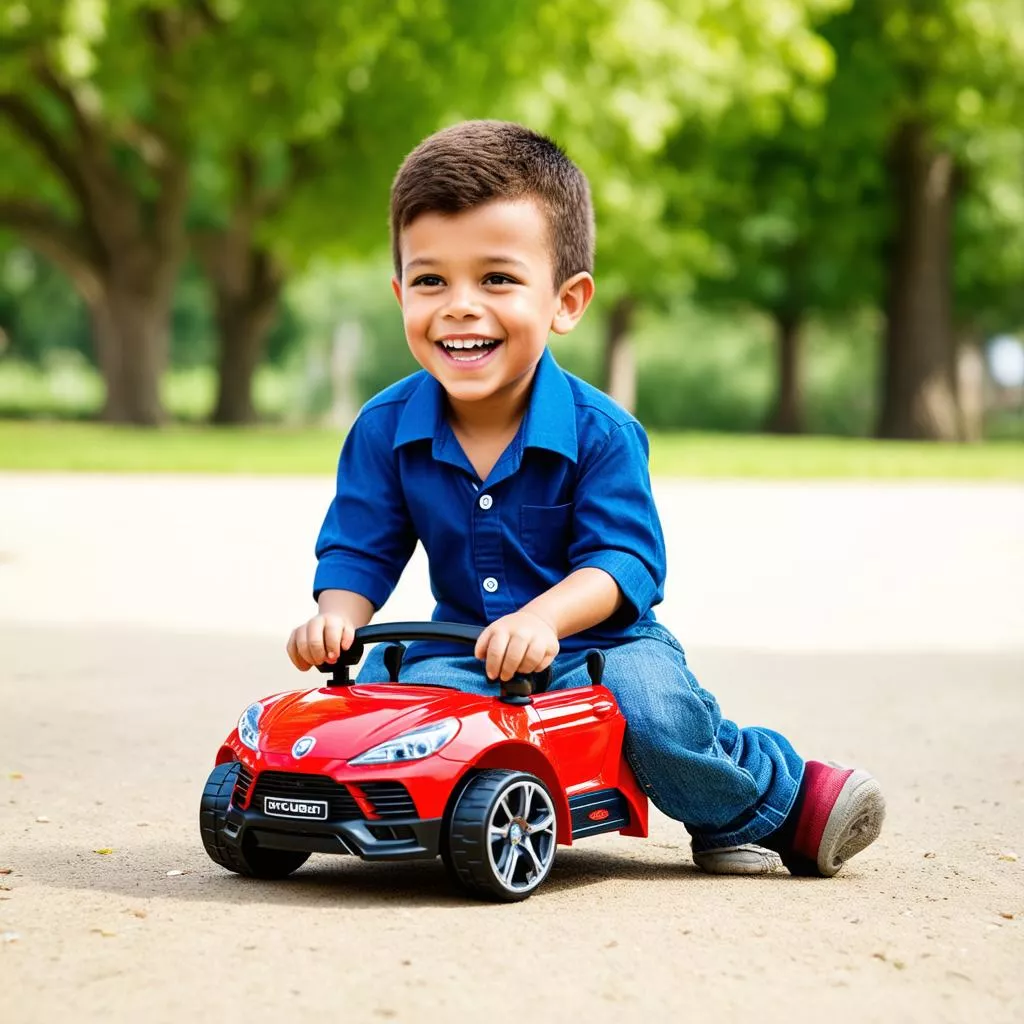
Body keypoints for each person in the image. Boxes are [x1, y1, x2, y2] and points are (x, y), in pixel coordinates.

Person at [286, 120, 885, 877]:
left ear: (566, 301)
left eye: (497, 279)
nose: (461, 306)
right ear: (401, 291)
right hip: (471, 650)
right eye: (432, 280)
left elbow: (625, 560)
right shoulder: (383, 427)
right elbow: (360, 540)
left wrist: (544, 617)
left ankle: (769, 799)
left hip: (600, 648)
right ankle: (399, 816)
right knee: (390, 705)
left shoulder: (602, 432)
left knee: (655, 718)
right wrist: (337, 615)